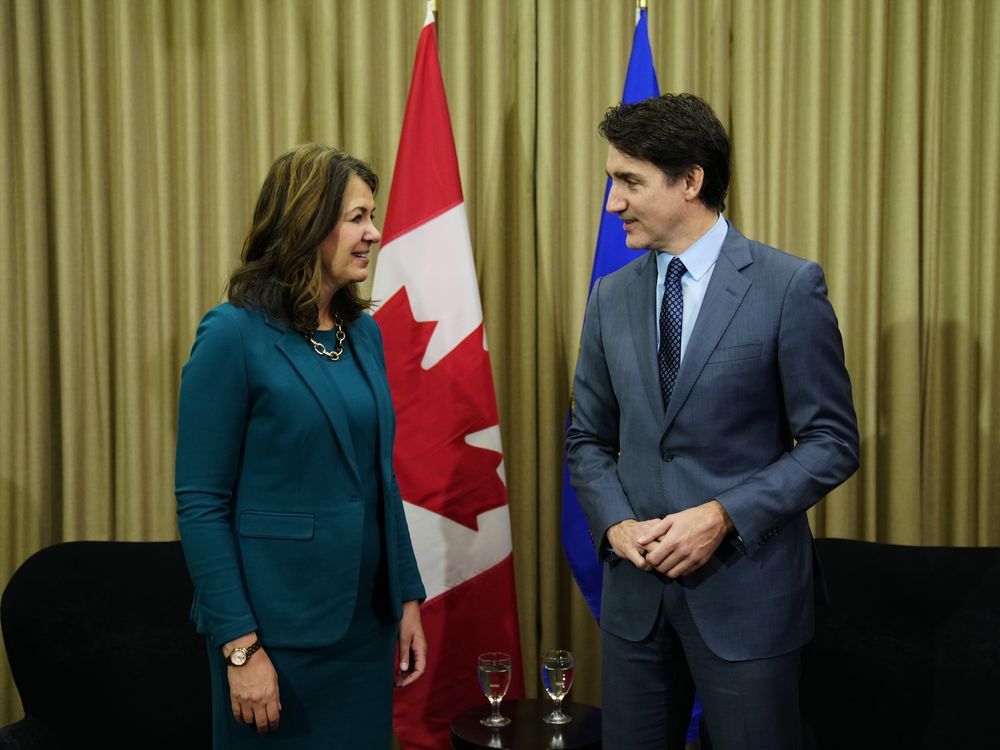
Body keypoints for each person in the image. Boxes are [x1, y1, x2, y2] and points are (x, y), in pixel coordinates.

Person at [565, 94, 860, 750]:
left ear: (690, 181)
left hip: (747, 601)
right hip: (636, 604)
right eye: (613, 181)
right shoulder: (611, 296)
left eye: (629, 181)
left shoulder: (788, 286)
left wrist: (723, 515)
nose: (612, 202)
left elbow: (832, 442)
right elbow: (587, 438)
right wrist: (614, 523)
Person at [175, 144, 427, 749]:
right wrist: (241, 648)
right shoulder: (232, 334)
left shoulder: (363, 334)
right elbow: (202, 503)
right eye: (357, 218)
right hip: (274, 638)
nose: (373, 234)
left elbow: (380, 478)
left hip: (365, 631)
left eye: (372, 217)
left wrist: (406, 596)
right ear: (307, 223)